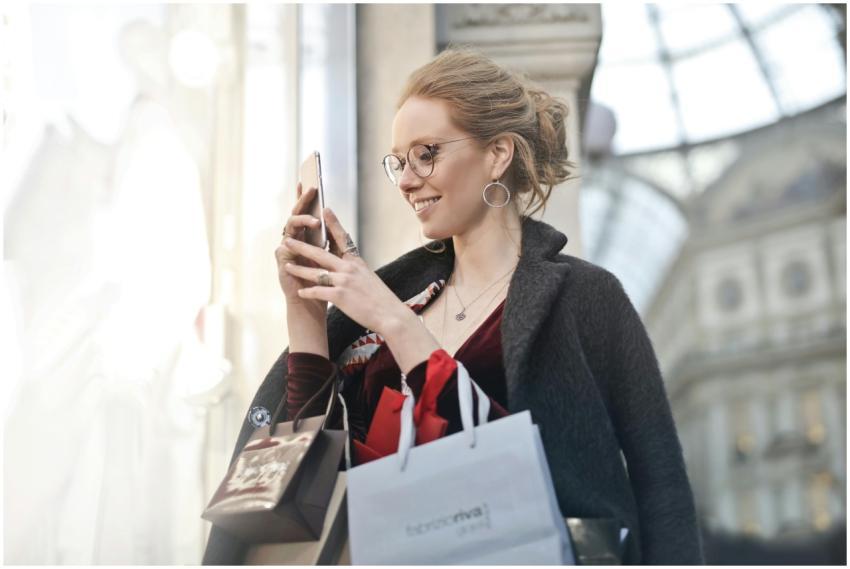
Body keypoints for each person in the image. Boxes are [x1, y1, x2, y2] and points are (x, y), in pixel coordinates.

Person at [202, 47, 704, 565]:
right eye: (399, 161)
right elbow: (313, 471)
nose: (406, 179)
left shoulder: (587, 298)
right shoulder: (396, 299)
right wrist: (305, 314)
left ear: (497, 154)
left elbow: (661, 483)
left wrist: (393, 321)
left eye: (427, 153)